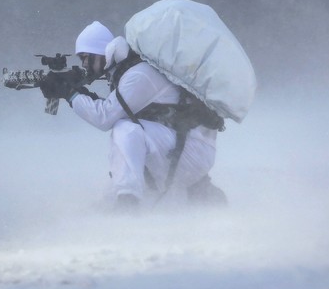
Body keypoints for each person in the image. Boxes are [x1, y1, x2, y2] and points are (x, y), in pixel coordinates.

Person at [40, 21, 225, 210]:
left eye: (87, 58)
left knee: (125, 129)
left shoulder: (138, 75)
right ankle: (201, 193)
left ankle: (127, 203)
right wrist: (79, 92)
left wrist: (71, 94)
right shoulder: (130, 69)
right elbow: (116, 109)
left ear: (103, 53)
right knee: (127, 134)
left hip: (191, 151)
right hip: (186, 147)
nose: (85, 65)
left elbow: (104, 117)